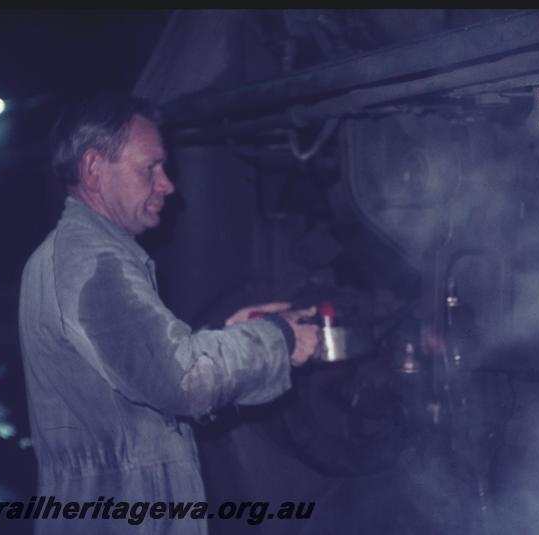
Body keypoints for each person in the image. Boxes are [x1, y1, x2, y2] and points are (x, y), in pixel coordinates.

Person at [17, 94, 320, 535]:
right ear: (93, 169)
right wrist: (277, 337)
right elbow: (182, 382)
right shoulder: (94, 262)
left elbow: (143, 377)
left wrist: (234, 334)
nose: (168, 184)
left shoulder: (63, 256)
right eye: (150, 168)